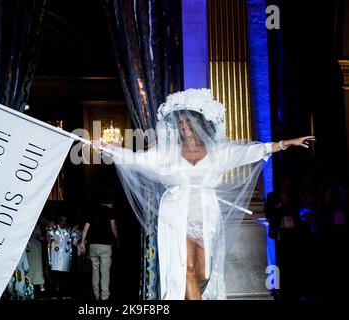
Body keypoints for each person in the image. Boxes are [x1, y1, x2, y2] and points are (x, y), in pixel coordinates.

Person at [94, 88, 315, 300]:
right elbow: (137, 159)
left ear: (198, 123)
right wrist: (108, 147)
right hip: (175, 213)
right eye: (180, 122)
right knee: (185, 268)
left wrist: (285, 144)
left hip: (207, 214)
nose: (183, 126)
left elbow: (249, 152)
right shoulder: (168, 153)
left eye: (187, 121)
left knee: (204, 273)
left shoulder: (217, 151)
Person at [79, 198, 118, 300]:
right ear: (111, 204)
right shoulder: (110, 211)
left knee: (95, 270)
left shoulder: (93, 211)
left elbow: (85, 229)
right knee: (104, 271)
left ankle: (96, 295)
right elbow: (113, 227)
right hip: (105, 246)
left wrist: (82, 242)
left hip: (93, 246)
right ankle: (104, 296)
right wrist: (117, 240)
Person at [47, 215, 80, 299]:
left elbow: (77, 237)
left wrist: (76, 230)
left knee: (65, 278)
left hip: (65, 258)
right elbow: (48, 238)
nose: (63, 222)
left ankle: (65, 294)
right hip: (55, 258)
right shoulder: (53, 231)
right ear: (58, 221)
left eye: (65, 220)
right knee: (54, 277)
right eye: (61, 220)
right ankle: (53, 294)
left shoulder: (69, 231)